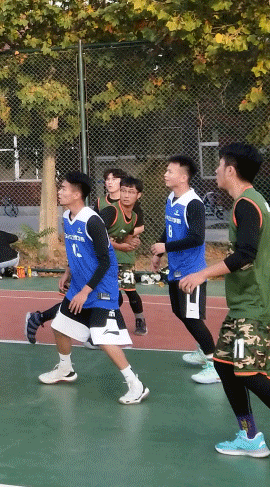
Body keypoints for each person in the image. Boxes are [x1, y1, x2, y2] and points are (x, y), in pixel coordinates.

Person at [179, 143, 270, 475]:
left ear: (231, 170)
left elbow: (245, 255)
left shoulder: (247, 204)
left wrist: (202, 274)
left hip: (258, 304)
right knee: (224, 364)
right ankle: (249, 437)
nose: (215, 171)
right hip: (245, 303)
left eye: (218, 166)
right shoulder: (248, 202)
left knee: (249, 372)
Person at [37, 171, 150, 404]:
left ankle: (136, 385)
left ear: (77, 194)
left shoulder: (92, 220)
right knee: (59, 327)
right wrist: (68, 272)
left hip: (101, 287)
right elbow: (74, 249)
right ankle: (65, 369)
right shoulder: (67, 217)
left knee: (102, 338)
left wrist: (85, 291)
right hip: (80, 285)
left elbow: (106, 261)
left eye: (64, 188)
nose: (59, 192)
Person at [148, 156, 220, 385]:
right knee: (180, 313)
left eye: (170, 171)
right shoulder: (172, 198)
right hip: (175, 269)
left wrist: (166, 247)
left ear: (183, 177)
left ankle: (214, 364)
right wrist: (159, 252)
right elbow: (170, 227)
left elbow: (197, 238)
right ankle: (203, 349)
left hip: (192, 272)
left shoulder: (193, 204)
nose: (165, 174)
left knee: (192, 317)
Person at [109, 176, 148, 335]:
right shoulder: (110, 210)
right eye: (123, 191)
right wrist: (119, 242)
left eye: (130, 192)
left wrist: (132, 239)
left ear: (138, 195)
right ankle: (112, 321)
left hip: (125, 255)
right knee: (113, 294)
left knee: (130, 290)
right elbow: (99, 234)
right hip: (109, 255)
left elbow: (137, 230)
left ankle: (140, 319)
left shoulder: (136, 212)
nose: (126, 195)